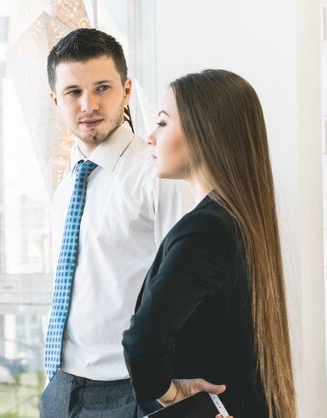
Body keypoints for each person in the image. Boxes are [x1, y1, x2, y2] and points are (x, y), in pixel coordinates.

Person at [122, 69, 297, 418]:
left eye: (162, 122)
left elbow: (142, 344)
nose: (150, 137)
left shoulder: (206, 230)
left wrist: (173, 395)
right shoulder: (238, 219)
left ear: (205, 133)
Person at [40, 28, 190, 417]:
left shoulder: (156, 175)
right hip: (59, 387)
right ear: (56, 101)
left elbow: (188, 289)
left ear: (125, 91)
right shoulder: (67, 185)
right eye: (73, 92)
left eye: (102, 87)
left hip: (129, 391)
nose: (88, 104)